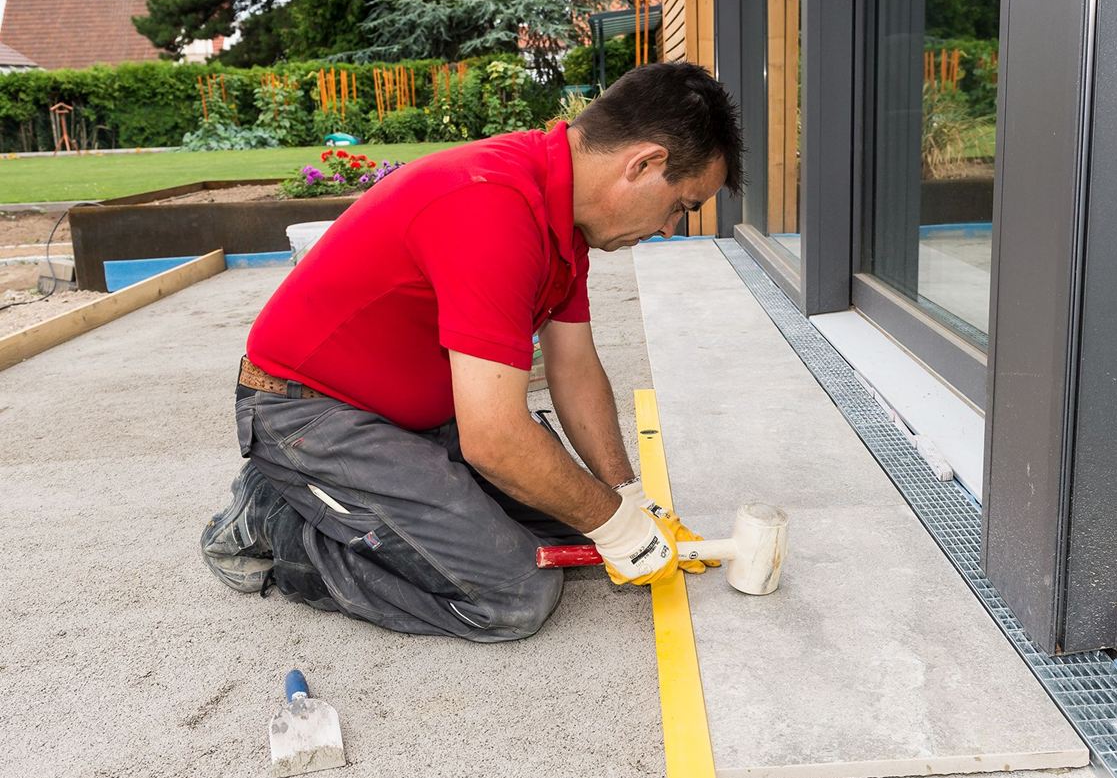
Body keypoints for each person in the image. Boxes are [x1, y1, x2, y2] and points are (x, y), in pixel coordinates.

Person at [200, 61, 744, 642]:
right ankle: (275, 522)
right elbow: (495, 440)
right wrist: (619, 529)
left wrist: (629, 502)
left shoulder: (566, 218)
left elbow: (576, 368)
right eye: (679, 206)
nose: (667, 230)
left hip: (411, 418)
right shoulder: (493, 208)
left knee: (575, 536)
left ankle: (357, 501)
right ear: (643, 164)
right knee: (514, 593)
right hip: (306, 411)